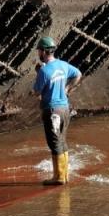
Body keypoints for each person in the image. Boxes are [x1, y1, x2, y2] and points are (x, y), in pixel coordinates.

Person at [32, 36, 81, 186]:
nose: (38, 53)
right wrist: (67, 88)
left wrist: (38, 74)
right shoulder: (63, 65)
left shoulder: (44, 71)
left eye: (39, 51)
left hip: (52, 111)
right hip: (65, 108)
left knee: (54, 143)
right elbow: (78, 74)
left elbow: (36, 92)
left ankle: (58, 178)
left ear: (44, 52)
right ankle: (64, 175)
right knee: (62, 141)